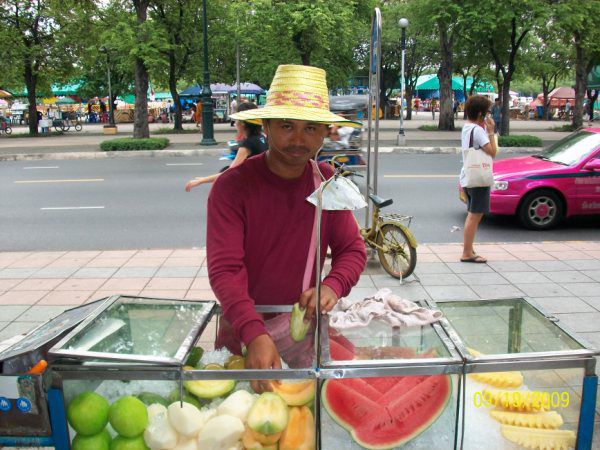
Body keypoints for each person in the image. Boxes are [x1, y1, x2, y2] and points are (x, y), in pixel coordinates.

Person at [207, 64, 367, 392]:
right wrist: (253, 332)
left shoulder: (326, 182)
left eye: (311, 128)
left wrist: (332, 286)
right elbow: (225, 270)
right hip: (241, 331)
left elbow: (352, 250)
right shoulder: (231, 187)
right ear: (265, 126)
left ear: (325, 132)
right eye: (286, 126)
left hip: (302, 335)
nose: (298, 139)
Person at [185, 102, 267, 190]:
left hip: (255, 189)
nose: (235, 123)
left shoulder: (248, 144)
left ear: (242, 123)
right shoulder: (262, 137)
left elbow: (230, 171)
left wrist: (201, 181)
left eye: (236, 120)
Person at [460, 95, 498, 264]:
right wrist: (490, 132)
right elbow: (492, 152)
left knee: (472, 214)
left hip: (468, 176)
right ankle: (467, 252)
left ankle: (469, 248)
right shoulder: (478, 131)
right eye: (488, 112)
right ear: (481, 113)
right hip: (479, 178)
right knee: (475, 216)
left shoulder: (467, 127)